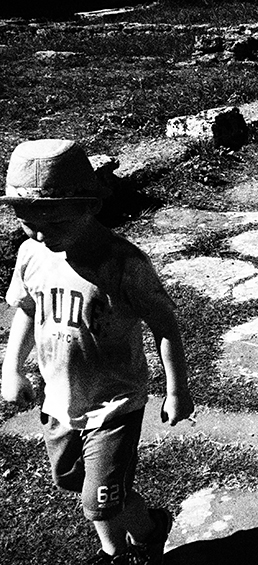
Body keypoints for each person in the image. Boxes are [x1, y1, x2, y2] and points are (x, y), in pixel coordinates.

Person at [0, 139, 194, 564]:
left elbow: (164, 324)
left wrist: (176, 391)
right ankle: (122, 545)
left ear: (89, 207)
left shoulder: (122, 262)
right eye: (26, 223)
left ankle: (142, 539)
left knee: (101, 499)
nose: (38, 234)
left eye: (54, 223)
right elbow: (27, 310)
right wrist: (11, 369)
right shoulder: (32, 253)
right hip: (60, 398)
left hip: (114, 402)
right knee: (72, 480)